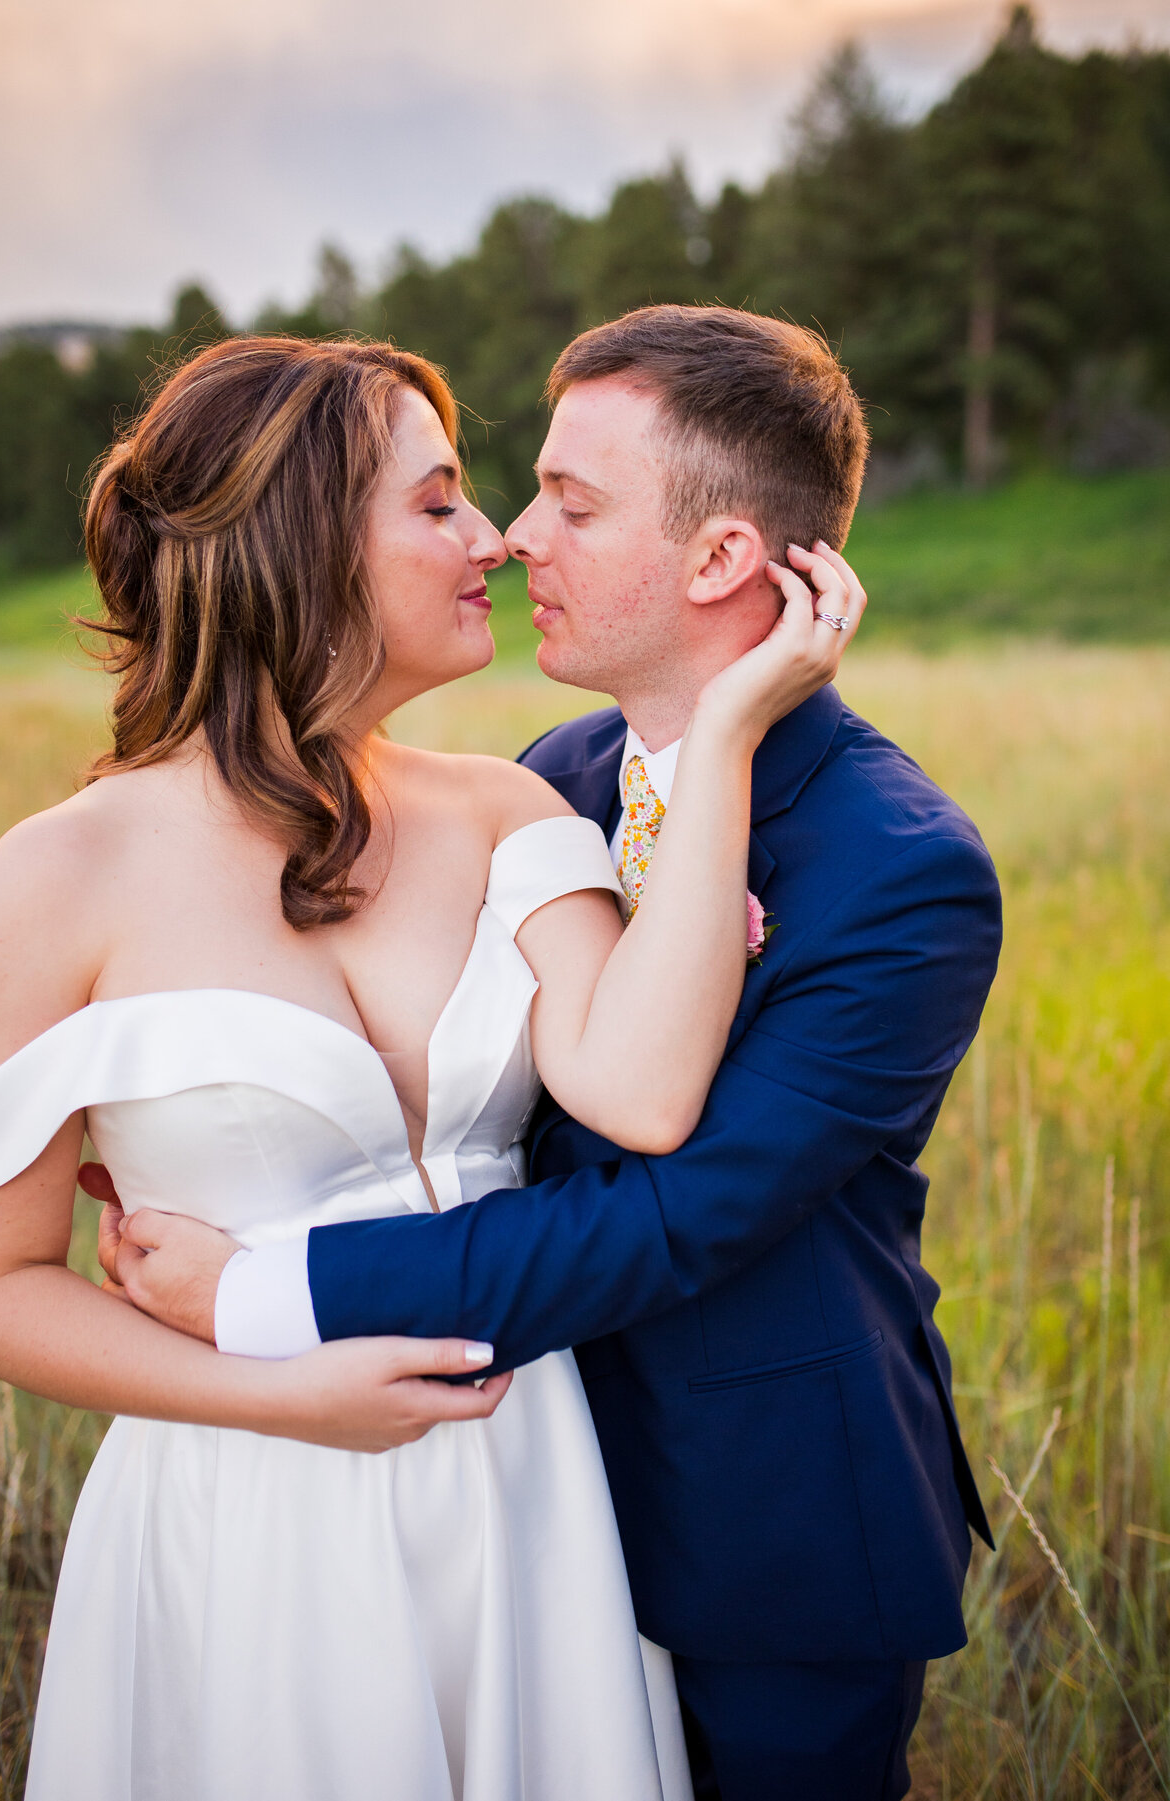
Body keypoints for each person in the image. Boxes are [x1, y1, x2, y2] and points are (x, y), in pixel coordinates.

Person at [102, 306, 1003, 1801]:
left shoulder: (898, 868)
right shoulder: (551, 782)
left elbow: (671, 1212)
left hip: (764, 1526)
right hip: (512, 1499)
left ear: (720, 561)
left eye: (573, 504)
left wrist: (272, 1285)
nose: (518, 537)